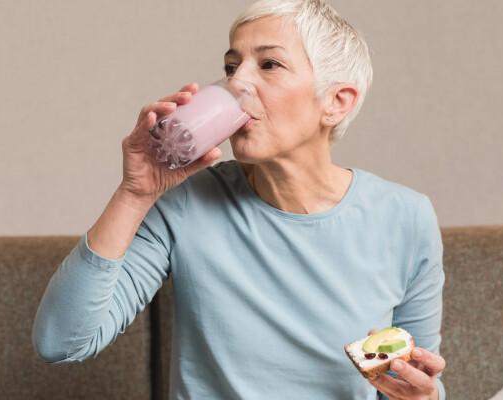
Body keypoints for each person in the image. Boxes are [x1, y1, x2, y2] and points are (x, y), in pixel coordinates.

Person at [32, 0, 446, 398]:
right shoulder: (187, 201)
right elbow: (61, 342)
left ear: (336, 102)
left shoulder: (405, 218)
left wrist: (421, 397)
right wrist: (133, 194)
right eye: (232, 66)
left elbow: (416, 378)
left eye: (269, 64)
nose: (237, 82)